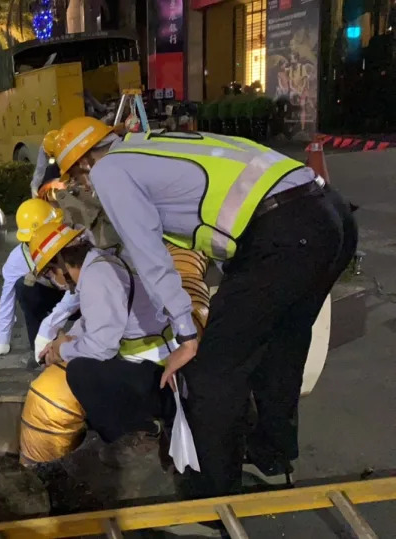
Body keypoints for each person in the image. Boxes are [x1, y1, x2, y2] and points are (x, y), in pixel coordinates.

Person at [49, 116, 358, 498]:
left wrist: (187, 333)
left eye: (77, 182)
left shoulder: (111, 169)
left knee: (212, 373)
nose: (82, 190)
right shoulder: (153, 144)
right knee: (283, 344)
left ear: (83, 164)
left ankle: (214, 491)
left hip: (282, 233)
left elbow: (151, 257)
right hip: (328, 215)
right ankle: (273, 454)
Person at [19, 221, 178, 464]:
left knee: (81, 372)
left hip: (159, 371)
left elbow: (102, 348)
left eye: (50, 272)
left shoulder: (98, 277)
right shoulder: (97, 266)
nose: (53, 280)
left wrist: (62, 349)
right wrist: (62, 342)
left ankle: (137, 439)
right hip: (150, 363)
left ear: (62, 262)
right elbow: (91, 321)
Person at [0, 199, 67, 363]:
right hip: (55, 296)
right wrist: (2, 338)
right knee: (23, 287)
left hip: (81, 298)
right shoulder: (17, 259)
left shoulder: (72, 237)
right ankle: (39, 351)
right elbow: (7, 299)